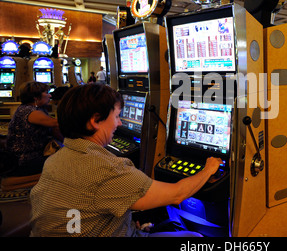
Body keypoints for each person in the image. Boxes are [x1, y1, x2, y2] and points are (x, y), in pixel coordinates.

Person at [30, 83, 222, 237]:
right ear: (95, 121)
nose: (120, 123)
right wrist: (209, 168)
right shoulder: (107, 169)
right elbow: (177, 194)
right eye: (116, 116)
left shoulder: (57, 158)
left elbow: (87, 210)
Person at [6, 81, 63, 176]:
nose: (49, 95)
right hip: (24, 159)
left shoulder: (31, 109)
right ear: (35, 97)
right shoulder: (30, 111)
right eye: (46, 93)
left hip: (31, 155)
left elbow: (55, 130)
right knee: (68, 160)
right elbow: (57, 123)